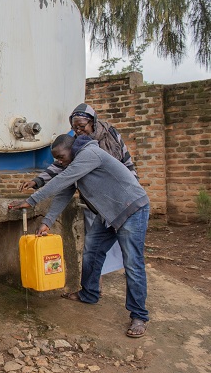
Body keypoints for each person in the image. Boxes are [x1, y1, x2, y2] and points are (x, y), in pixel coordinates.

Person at [9, 134, 150, 338]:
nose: (58, 161)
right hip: (109, 213)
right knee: (91, 251)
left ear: (72, 148)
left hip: (131, 209)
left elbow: (62, 179)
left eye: (60, 156)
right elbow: (65, 191)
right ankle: (89, 294)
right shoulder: (75, 162)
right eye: (55, 158)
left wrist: (32, 200)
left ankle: (139, 315)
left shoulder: (90, 153)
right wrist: (47, 222)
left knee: (133, 263)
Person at [20, 103, 137, 284]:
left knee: (128, 251)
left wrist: (131, 193)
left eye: (82, 126)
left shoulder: (107, 138)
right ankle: (93, 287)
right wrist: (38, 181)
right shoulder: (75, 145)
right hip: (97, 203)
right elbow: (63, 170)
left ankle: (130, 296)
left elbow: (127, 163)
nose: (79, 130)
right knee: (93, 247)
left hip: (122, 201)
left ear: (93, 122)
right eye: (74, 127)